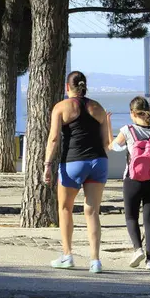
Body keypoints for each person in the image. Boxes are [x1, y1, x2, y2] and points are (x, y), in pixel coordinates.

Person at [44, 71, 110, 274]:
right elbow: (107, 141)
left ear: (67, 87)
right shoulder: (98, 107)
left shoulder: (61, 107)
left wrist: (47, 164)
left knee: (65, 209)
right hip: (98, 161)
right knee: (92, 211)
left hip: (73, 162)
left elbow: (54, 138)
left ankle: (67, 255)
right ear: (84, 86)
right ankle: (95, 261)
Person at [107, 96, 150, 270]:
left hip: (132, 179)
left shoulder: (127, 130)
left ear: (132, 113)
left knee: (131, 216)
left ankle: (137, 249)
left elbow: (113, 147)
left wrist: (108, 127)